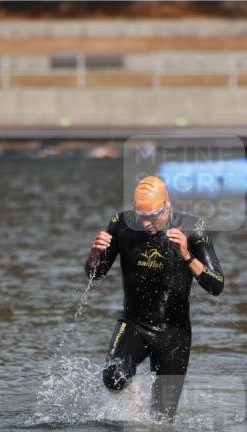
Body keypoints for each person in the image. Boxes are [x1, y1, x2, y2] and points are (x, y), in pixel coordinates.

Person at [86, 176, 225, 419]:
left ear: (167, 205)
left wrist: (186, 255)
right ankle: (134, 399)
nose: (147, 223)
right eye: (141, 216)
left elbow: (216, 285)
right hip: (135, 324)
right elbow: (94, 275)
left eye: (154, 216)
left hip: (174, 333)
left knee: (163, 418)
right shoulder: (121, 224)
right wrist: (95, 254)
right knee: (113, 377)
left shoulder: (193, 228)